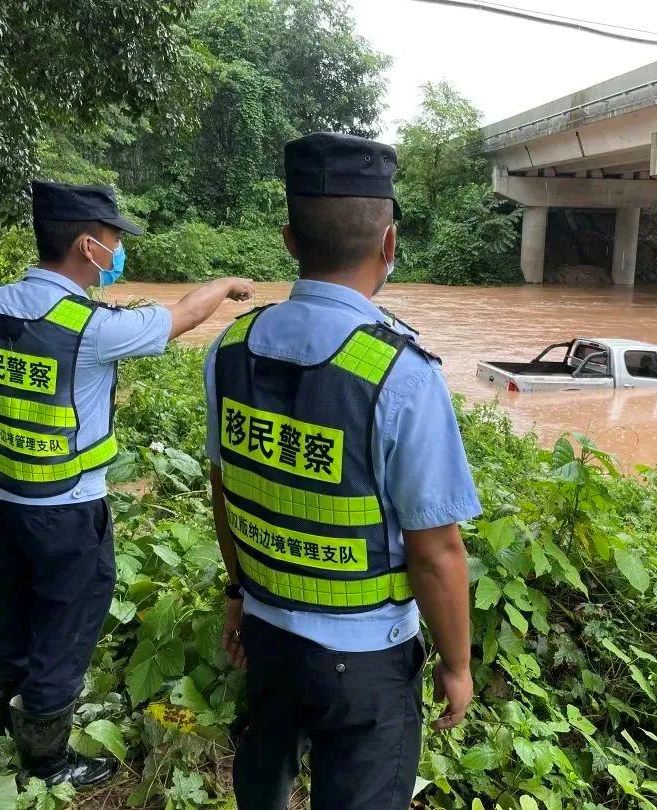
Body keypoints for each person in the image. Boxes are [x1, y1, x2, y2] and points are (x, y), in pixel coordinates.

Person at [0, 180, 256, 789]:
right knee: (68, 622)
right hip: (67, 511)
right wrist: (223, 286)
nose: (118, 251)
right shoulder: (89, 329)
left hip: (4, 500)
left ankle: (6, 706)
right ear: (88, 246)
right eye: (114, 240)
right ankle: (45, 757)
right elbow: (180, 318)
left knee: (15, 604)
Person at [204, 132, 479, 809]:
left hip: (269, 634)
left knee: (264, 778)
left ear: (290, 238)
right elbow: (437, 551)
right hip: (366, 664)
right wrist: (458, 666)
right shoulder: (401, 375)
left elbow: (225, 490)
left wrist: (240, 593)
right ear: (388, 245)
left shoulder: (229, 347)